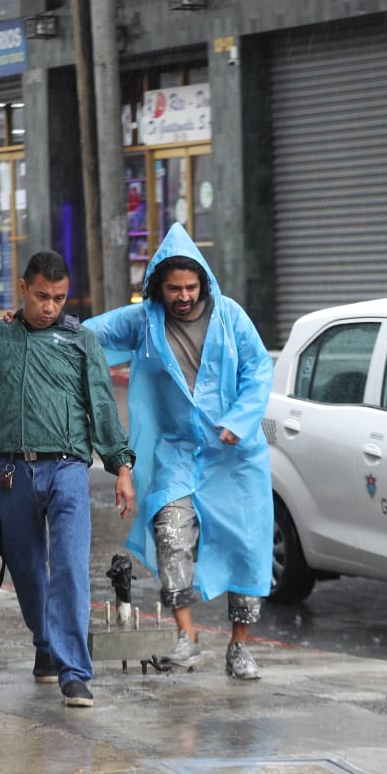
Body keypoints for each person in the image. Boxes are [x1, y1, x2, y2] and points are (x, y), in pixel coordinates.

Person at [85, 224, 274, 680]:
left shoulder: (230, 317)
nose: (184, 296)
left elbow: (258, 369)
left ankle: (239, 646)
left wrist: (239, 421)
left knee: (246, 547)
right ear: (158, 287)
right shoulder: (144, 321)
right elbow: (89, 334)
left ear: (203, 283)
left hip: (234, 456)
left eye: (191, 287)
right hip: (176, 452)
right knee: (170, 535)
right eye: (174, 289)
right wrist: (35, 323)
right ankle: (186, 637)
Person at [0, 250, 136, 708]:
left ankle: (75, 672)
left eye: (59, 298)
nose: (50, 307)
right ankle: (45, 647)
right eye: (42, 296)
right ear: (23, 288)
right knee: (27, 569)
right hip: (10, 473)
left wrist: (121, 467)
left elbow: (102, 408)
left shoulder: (81, 342)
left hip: (68, 469)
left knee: (71, 569)